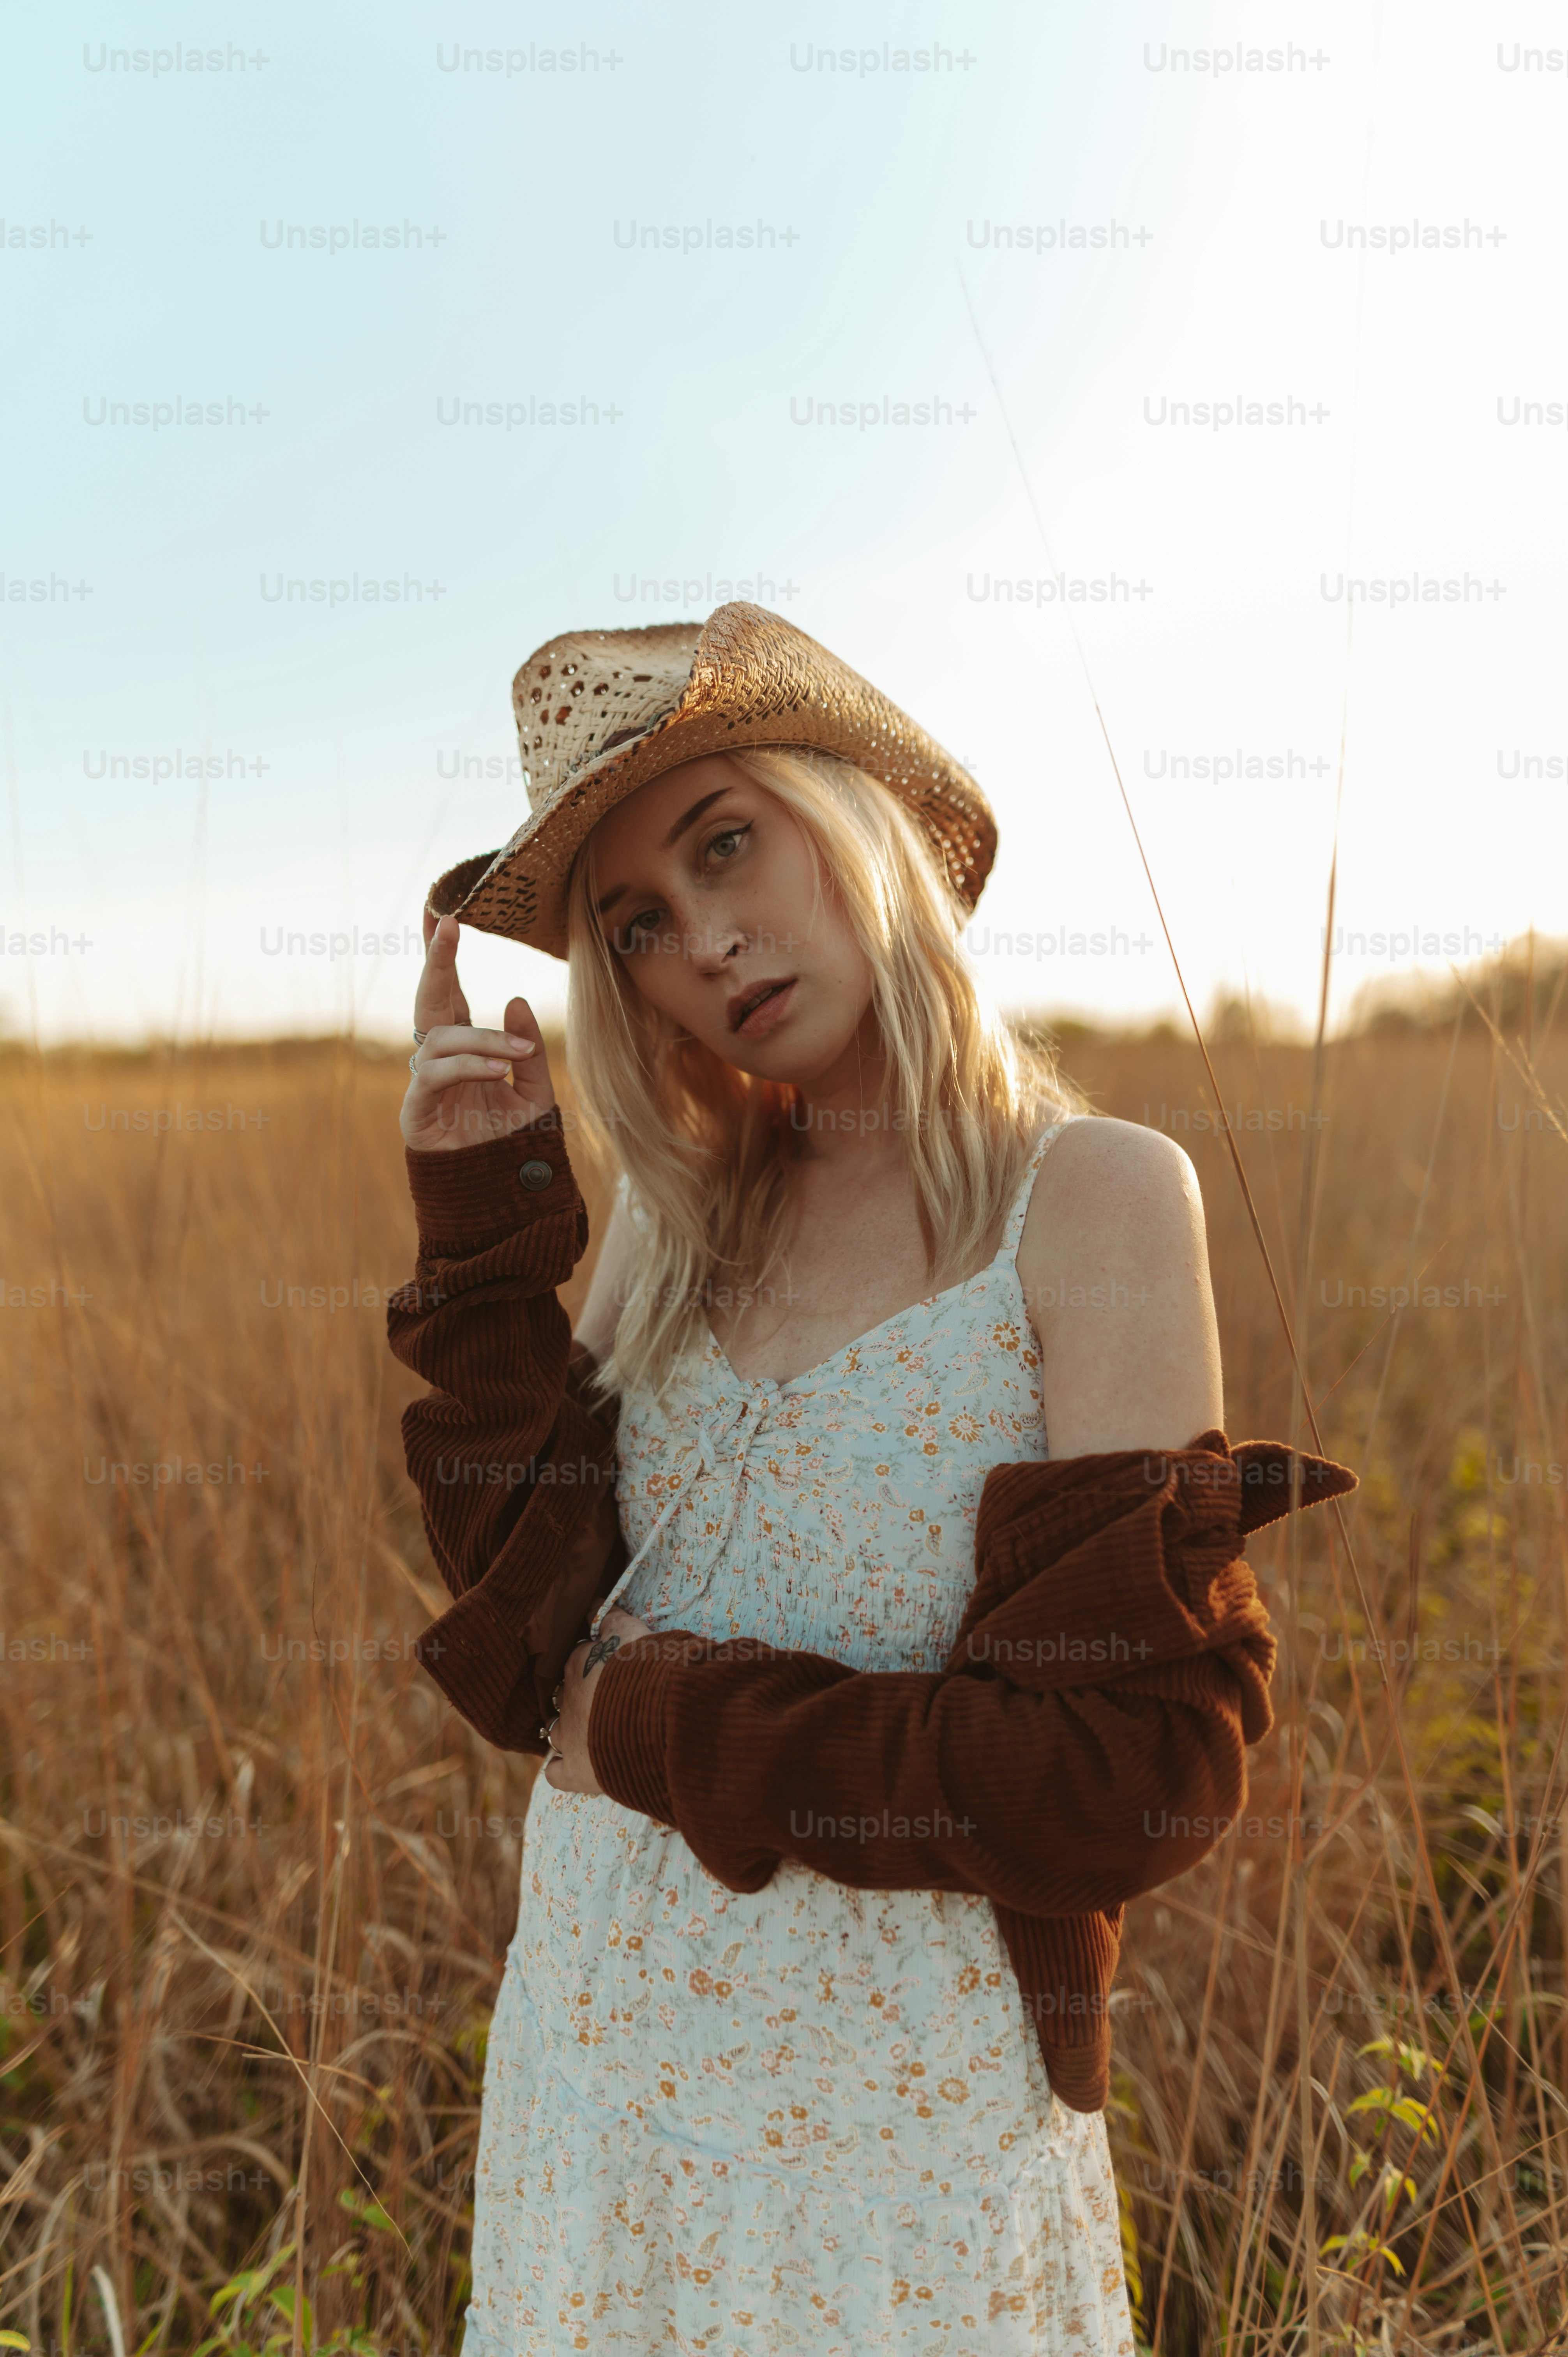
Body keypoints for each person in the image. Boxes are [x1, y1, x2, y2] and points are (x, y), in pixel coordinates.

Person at [389, 605, 1352, 2355]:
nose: (709, 940)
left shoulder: (1090, 1203)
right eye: (641, 925)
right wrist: (479, 1240)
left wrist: (668, 1727)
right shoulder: (677, 1233)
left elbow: (1124, 1783)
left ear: (852, 815)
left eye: (726, 840)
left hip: (898, 2156)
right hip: (599, 2101)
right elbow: (524, 1645)